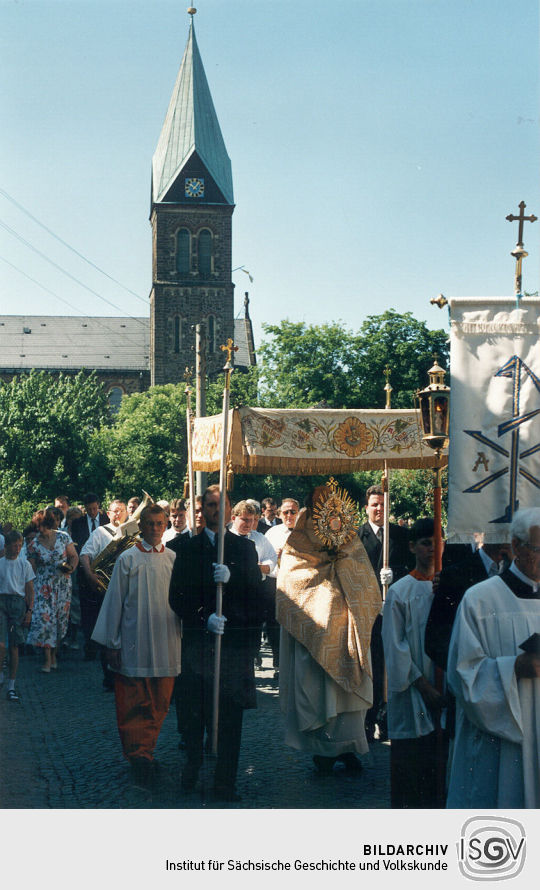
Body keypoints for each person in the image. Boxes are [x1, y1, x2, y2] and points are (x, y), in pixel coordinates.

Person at [277, 484, 381, 775]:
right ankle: (323, 751)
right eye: (321, 505)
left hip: (348, 628)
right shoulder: (297, 541)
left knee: (348, 694)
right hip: (317, 628)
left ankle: (348, 749)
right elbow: (291, 579)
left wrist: (342, 566)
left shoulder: (349, 538)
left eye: (333, 506)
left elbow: (360, 572)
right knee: (321, 691)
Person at [168, 485, 262, 801]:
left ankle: (225, 782)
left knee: (230, 718)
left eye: (220, 504)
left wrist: (233, 579)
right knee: (194, 716)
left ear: (229, 509)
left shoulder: (244, 549)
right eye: (209, 505)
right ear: (202, 509)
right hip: (197, 646)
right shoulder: (185, 547)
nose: (214, 510)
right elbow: (176, 597)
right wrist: (202, 616)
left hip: (231, 647)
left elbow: (256, 599)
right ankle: (193, 765)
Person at [446, 507, 540, 808]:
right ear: (516, 547)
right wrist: (514, 667)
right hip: (500, 740)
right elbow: (462, 674)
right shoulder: (480, 599)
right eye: (539, 549)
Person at [91, 505, 181, 790]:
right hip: (133, 639)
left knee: (160, 699)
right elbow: (115, 600)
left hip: (166, 639)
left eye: (160, 523)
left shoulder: (174, 559)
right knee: (132, 698)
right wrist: (112, 642)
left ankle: (147, 748)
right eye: (150, 524)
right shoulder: (127, 559)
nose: (155, 528)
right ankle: (137, 754)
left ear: (166, 526)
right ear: (140, 526)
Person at [381, 517, 446, 807]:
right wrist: (423, 685)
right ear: (412, 546)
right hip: (413, 689)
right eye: (425, 543)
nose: (433, 549)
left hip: (446, 685)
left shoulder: (452, 589)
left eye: (437, 542)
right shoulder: (400, 591)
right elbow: (395, 646)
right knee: (412, 767)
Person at [358, 484, 411, 742]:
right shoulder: (356, 537)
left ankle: (389, 719)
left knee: (394, 665)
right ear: (366, 507)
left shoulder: (401, 535)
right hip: (368, 612)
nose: (379, 509)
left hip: (395, 609)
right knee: (372, 667)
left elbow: (413, 569)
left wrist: (396, 574)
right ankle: (368, 720)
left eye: (383, 504)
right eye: (375, 504)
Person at [80, 499, 129, 688]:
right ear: (107, 513)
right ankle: (109, 676)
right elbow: (85, 554)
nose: (117, 514)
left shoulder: (133, 532)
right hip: (106, 589)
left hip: (127, 589)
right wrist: (89, 574)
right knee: (108, 631)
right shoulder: (100, 532)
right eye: (114, 511)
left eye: (121, 511)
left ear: (126, 512)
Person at [26, 508, 78, 671]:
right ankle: (47, 660)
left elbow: (74, 556)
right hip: (43, 586)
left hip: (62, 584)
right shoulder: (33, 544)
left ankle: (54, 655)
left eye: (42, 526)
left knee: (60, 623)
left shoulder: (63, 537)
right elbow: (32, 570)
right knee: (44, 621)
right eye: (37, 527)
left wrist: (70, 569)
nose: (40, 530)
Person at [70, 493, 108, 659]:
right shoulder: (77, 523)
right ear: (84, 508)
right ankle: (90, 647)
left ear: (98, 505)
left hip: (104, 572)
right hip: (85, 573)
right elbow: (77, 548)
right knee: (87, 613)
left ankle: (103, 646)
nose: (93, 512)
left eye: (95, 508)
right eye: (89, 509)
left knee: (103, 610)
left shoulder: (107, 520)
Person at [0, 531, 35, 701]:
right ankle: (1, 672)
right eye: (14, 545)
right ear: (6, 546)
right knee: (1, 644)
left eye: (20, 545)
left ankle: (11, 684)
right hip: (1, 602)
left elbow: (29, 590)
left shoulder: (24, 564)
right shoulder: (0, 564)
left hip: (17, 604)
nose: (17, 548)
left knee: (14, 645)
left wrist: (29, 611)